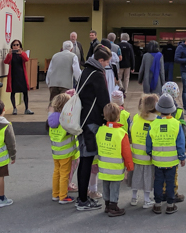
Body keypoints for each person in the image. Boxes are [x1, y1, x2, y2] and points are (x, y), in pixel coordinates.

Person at [76, 45, 112, 211]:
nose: (107, 65)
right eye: (106, 62)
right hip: (91, 122)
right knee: (87, 160)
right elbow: (105, 100)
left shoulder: (86, 71)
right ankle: (83, 200)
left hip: (82, 120)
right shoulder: (97, 75)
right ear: (100, 60)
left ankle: (82, 197)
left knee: (84, 160)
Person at [146, 94, 186, 214]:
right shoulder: (176, 124)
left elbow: (149, 142)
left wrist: (150, 153)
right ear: (172, 110)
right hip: (172, 162)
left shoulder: (153, 124)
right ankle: (170, 205)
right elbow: (180, 143)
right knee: (170, 182)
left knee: (158, 182)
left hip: (157, 161)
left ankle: (157, 204)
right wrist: (182, 157)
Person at [96, 102, 134, 217]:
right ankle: (113, 206)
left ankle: (107, 205)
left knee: (106, 185)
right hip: (116, 168)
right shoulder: (121, 133)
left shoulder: (100, 130)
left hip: (103, 167)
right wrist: (129, 166)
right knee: (115, 187)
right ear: (119, 116)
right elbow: (126, 152)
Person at [47, 92, 79, 204]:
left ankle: (55, 194)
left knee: (56, 172)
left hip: (56, 152)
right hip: (66, 152)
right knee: (65, 174)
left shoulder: (51, 119)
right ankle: (63, 196)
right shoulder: (65, 119)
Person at [130, 93, 159, 209]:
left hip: (136, 155)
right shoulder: (156, 121)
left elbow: (131, 130)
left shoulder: (136, 118)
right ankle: (147, 200)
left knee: (136, 177)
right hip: (149, 156)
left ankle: (133, 197)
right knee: (148, 178)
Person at [161, 82, 186, 203]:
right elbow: (182, 129)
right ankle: (173, 193)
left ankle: (162, 192)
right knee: (173, 172)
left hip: (160, 145)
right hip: (173, 147)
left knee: (160, 172)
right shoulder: (179, 111)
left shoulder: (158, 110)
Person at [4, 39, 32, 115]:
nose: (16, 46)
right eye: (14, 45)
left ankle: (26, 109)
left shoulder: (22, 53)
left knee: (25, 92)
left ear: (20, 46)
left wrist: (21, 53)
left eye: (17, 45)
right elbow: (6, 62)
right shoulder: (10, 54)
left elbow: (26, 59)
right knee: (13, 92)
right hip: (13, 76)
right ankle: (14, 108)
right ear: (12, 46)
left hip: (22, 75)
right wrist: (9, 55)